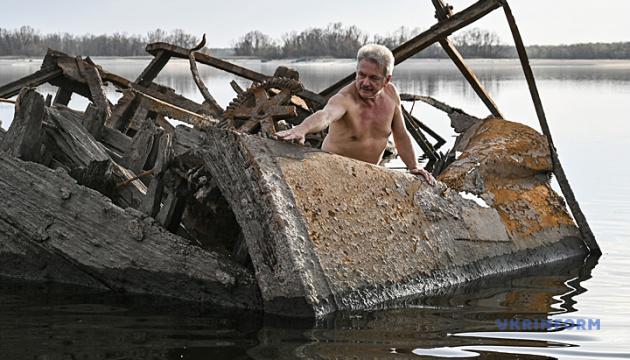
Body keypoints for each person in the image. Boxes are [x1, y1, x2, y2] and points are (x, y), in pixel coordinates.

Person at [276, 43, 436, 185]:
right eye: (361, 75)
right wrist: (302, 128)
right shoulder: (345, 98)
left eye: (373, 78)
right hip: (333, 174)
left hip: (369, 175)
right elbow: (325, 116)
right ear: (356, 72)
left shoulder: (391, 94)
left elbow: (400, 135)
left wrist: (414, 166)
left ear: (387, 80)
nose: (365, 82)